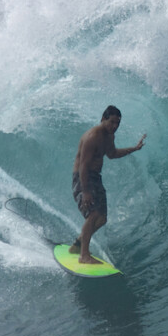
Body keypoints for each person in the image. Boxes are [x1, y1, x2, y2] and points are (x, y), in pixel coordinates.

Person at [70, 105, 146, 264]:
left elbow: (112, 154)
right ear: (103, 119)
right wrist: (86, 192)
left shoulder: (109, 136)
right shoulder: (93, 137)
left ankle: (78, 244)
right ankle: (84, 256)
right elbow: (83, 165)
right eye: (112, 122)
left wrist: (135, 149)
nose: (115, 126)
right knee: (93, 215)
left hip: (95, 177)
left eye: (118, 123)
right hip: (83, 177)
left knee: (102, 219)